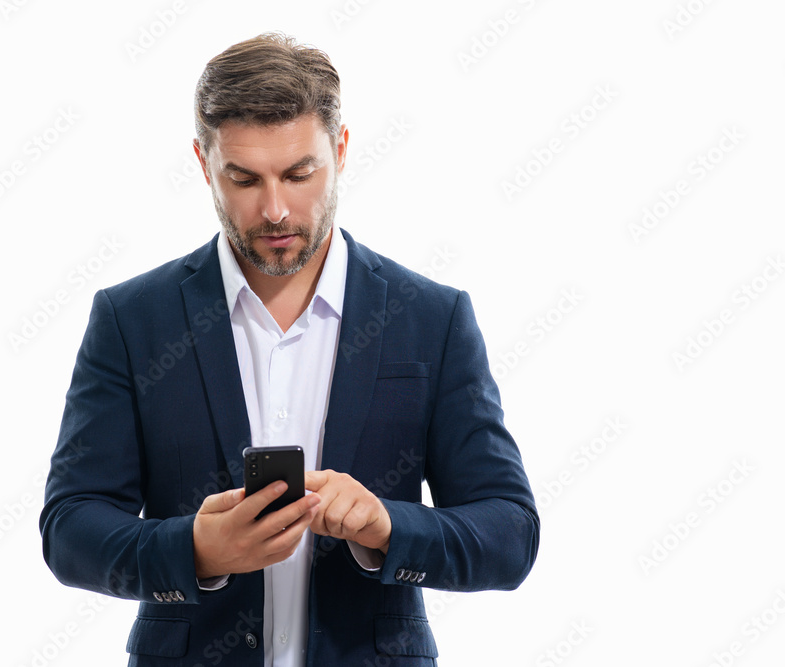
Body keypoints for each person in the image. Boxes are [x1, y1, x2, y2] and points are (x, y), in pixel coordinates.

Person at [39, 32, 539, 667]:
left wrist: (388, 527)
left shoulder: (432, 319)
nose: (275, 210)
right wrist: (196, 551)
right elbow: (70, 528)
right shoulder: (132, 320)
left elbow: (510, 536)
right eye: (244, 179)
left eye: (300, 174)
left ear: (341, 150)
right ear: (203, 164)